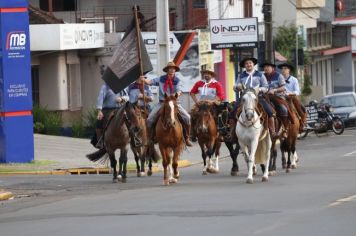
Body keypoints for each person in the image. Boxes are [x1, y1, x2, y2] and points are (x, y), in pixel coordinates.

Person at [140, 61, 193, 146]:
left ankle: (186, 138)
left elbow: (179, 90)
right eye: (170, 69)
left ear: (175, 70)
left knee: (187, 117)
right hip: (162, 103)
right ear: (167, 70)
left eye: (173, 69)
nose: (172, 70)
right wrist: (143, 79)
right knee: (149, 119)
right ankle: (150, 138)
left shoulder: (177, 80)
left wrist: (177, 94)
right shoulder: (161, 79)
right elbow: (149, 82)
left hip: (174, 103)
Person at [231, 57, 277, 139]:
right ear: (244, 66)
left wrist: (259, 89)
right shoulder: (241, 76)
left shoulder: (260, 75)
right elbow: (235, 87)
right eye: (246, 63)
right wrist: (238, 86)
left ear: (253, 64)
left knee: (270, 111)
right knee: (232, 112)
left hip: (258, 98)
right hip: (244, 98)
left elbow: (266, 87)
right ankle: (232, 132)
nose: (248, 64)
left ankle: (272, 131)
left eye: (250, 63)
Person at [190, 67, 225, 141]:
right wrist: (196, 102)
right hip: (201, 104)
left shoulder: (216, 84)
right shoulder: (199, 83)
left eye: (208, 73)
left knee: (221, 114)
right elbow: (192, 92)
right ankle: (192, 133)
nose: (206, 75)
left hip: (212, 103)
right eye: (205, 73)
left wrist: (212, 101)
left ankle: (220, 132)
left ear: (212, 75)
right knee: (192, 113)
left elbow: (221, 96)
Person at [94, 83, 129, 149]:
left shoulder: (121, 86)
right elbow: (100, 98)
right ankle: (100, 140)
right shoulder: (105, 87)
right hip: (108, 109)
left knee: (129, 118)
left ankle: (133, 137)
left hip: (120, 109)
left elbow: (127, 97)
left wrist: (122, 98)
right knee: (99, 120)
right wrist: (99, 111)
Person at [262, 61, 290, 137]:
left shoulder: (278, 76)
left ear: (272, 68)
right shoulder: (262, 76)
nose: (266, 68)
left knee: (283, 109)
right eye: (265, 67)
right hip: (265, 97)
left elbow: (283, 87)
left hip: (277, 96)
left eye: (268, 67)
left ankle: (285, 129)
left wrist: (275, 90)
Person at [278, 62, 307, 132]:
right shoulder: (278, 78)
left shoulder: (294, 80)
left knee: (302, 109)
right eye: (282, 69)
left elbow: (297, 91)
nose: (283, 70)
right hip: (280, 97)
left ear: (289, 70)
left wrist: (290, 93)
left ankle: (302, 124)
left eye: (285, 68)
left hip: (291, 97)